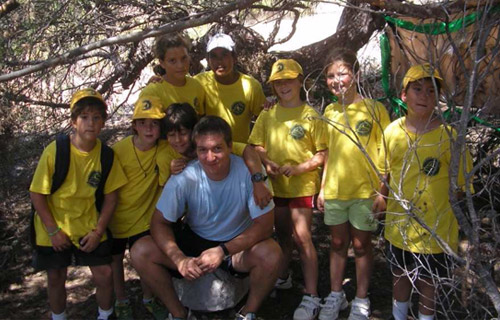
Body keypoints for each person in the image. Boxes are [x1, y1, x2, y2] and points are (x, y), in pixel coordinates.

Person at [130, 116, 282, 320]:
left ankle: (248, 313)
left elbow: (264, 226)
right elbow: (159, 222)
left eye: (217, 149)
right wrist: (179, 259)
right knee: (141, 250)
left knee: (271, 253)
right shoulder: (185, 176)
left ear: (230, 146)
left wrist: (223, 250)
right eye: (203, 150)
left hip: (234, 245)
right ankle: (178, 314)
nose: (210, 157)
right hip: (196, 239)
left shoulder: (250, 174)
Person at [372, 64, 473, 320]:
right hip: (400, 227)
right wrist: (381, 197)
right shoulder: (392, 131)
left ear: (438, 97)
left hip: (437, 229)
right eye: (417, 89)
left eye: (431, 91)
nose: (424, 96)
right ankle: (399, 315)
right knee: (400, 274)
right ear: (404, 95)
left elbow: (461, 188)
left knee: (430, 280)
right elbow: (386, 172)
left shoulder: (450, 137)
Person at [30, 88, 128, 320]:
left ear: (103, 123)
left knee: (104, 274)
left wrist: (98, 231)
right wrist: (53, 231)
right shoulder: (56, 150)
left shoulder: (106, 155)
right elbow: (37, 193)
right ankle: (59, 317)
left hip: (89, 225)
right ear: (73, 121)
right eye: (84, 117)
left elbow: (111, 196)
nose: (90, 123)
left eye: (96, 117)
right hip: (53, 226)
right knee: (55, 276)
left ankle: (106, 315)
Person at [248, 59, 327, 320]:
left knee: (302, 237)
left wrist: (301, 168)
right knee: (282, 234)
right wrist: (268, 162)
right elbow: (256, 145)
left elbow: (322, 153)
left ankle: (312, 295)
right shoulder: (268, 114)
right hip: (276, 186)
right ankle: (283, 276)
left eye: (289, 80)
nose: (284, 86)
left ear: (300, 81)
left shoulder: (311, 115)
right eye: (278, 82)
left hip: (302, 186)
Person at [317, 48, 391, 320]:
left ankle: (361, 298)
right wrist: (323, 188)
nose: (337, 80)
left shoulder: (374, 109)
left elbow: (385, 152)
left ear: (356, 75)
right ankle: (336, 294)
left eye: (343, 74)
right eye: (331, 76)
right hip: (336, 191)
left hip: (365, 192)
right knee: (337, 243)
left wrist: (382, 192)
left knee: (361, 245)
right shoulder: (330, 110)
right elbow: (328, 153)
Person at [109, 96, 169, 320]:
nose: (149, 128)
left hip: (144, 218)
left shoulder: (164, 148)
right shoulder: (118, 150)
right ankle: (121, 300)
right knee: (115, 261)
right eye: (143, 122)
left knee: (145, 261)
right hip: (116, 219)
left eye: (154, 123)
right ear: (134, 126)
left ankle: (149, 298)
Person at [158, 102, 273, 209]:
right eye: (171, 135)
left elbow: (248, 150)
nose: (178, 140)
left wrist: (258, 182)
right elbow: (166, 196)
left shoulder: (211, 144)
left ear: (194, 131)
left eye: (183, 133)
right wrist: (173, 175)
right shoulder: (165, 157)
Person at [195, 33, 266, 143]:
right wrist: (159, 81)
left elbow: (264, 120)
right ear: (208, 60)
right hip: (210, 151)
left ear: (234, 58)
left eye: (224, 55)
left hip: (241, 152)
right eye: (214, 56)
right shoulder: (199, 82)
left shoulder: (251, 86)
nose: (219, 61)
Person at [140, 33, 205, 114]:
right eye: (172, 61)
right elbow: (145, 125)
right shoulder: (152, 92)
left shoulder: (196, 86)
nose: (180, 65)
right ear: (162, 63)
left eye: (184, 58)